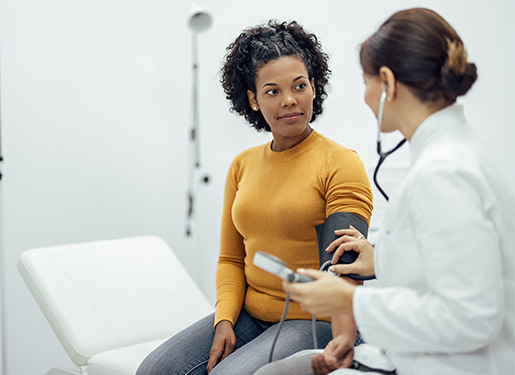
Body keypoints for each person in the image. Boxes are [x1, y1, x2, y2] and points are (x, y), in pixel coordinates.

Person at [255, 7, 515, 375]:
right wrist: (382, 259)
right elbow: (452, 265)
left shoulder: (443, 174)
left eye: (366, 83)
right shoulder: (453, 156)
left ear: (388, 84)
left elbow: (471, 317)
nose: (365, 97)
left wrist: (352, 300)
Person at [136, 20, 373, 375]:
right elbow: (231, 258)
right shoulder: (242, 165)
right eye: (273, 91)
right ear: (253, 99)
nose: (289, 100)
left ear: (313, 87)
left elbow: (343, 271)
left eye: (299, 86)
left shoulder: (340, 163)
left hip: (316, 319)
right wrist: (224, 320)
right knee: (155, 370)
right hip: (251, 315)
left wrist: (343, 342)